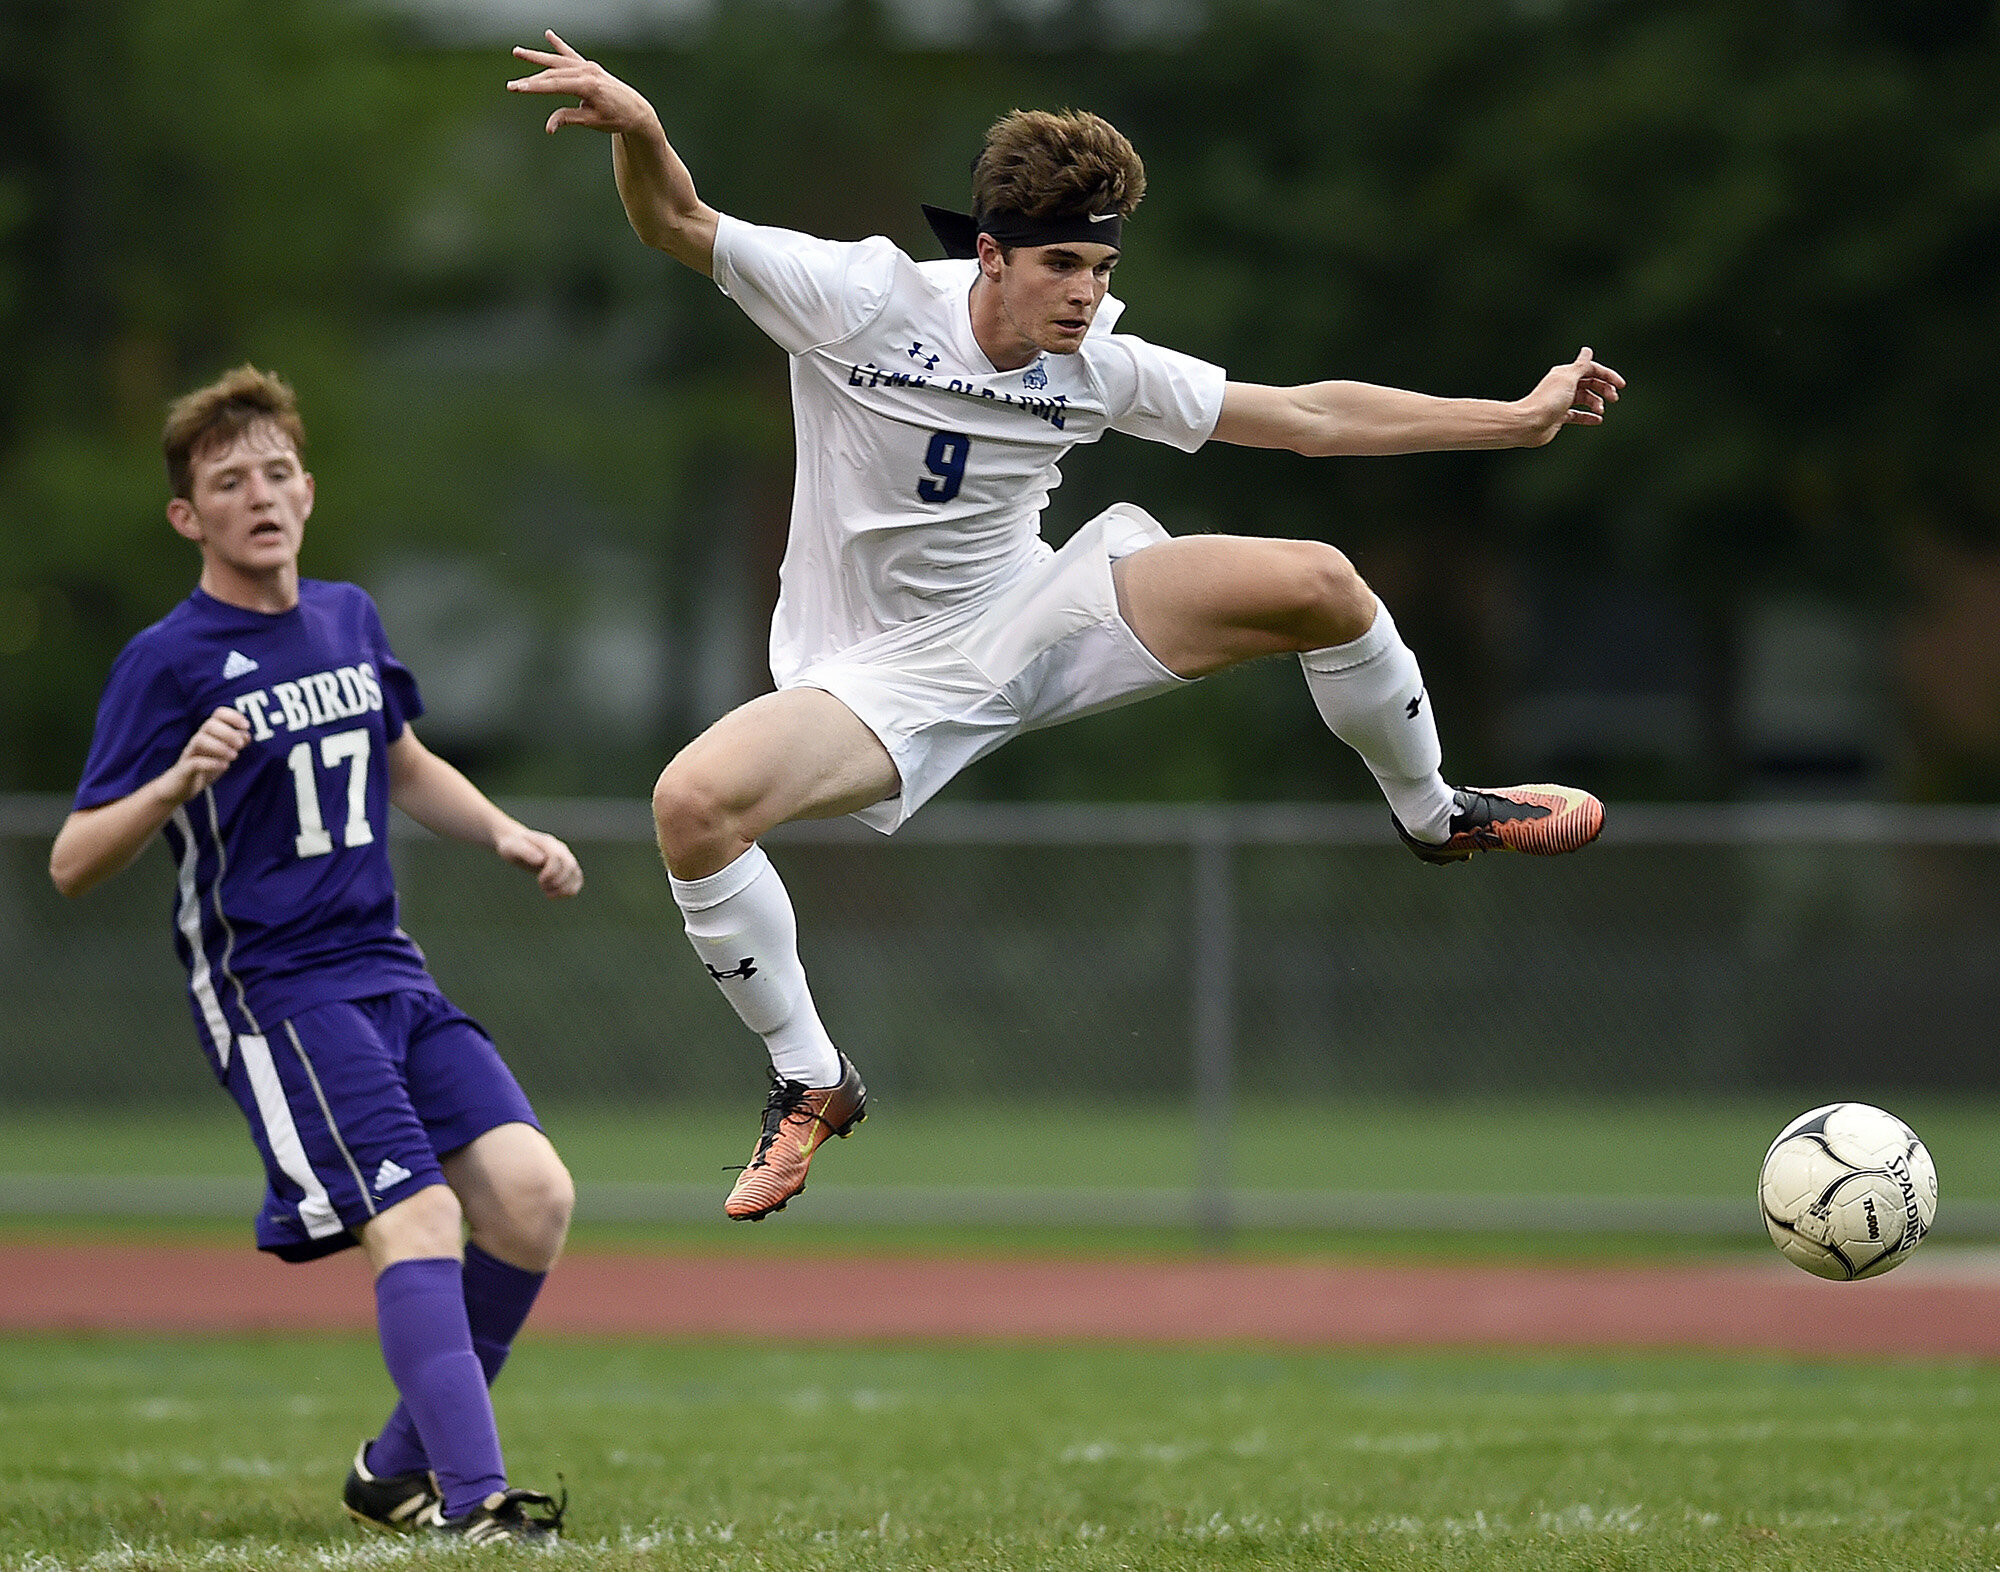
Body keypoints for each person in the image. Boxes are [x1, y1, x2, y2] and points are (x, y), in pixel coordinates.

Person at [507, 33, 1624, 1224]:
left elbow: (1302, 415)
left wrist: (1509, 420)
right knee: (690, 808)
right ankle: (811, 1078)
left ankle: (1435, 815)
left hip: (1041, 614)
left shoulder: (1092, 361)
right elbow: (676, 222)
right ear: (986, 255)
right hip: (875, 677)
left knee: (1322, 582)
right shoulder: (861, 298)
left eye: (1097, 265)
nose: (1085, 292)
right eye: (1060, 265)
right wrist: (641, 130)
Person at [49, 366, 577, 1545]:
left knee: (534, 1202)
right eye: (226, 481)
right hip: (278, 991)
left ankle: (394, 1469)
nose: (259, 494)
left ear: (308, 489)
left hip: (390, 969)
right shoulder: (167, 660)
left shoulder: (345, 615)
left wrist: (504, 830)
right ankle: (475, 1503)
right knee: (417, 1216)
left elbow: (401, 760)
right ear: (188, 518)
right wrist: (177, 779)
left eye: (276, 471)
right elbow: (72, 861)